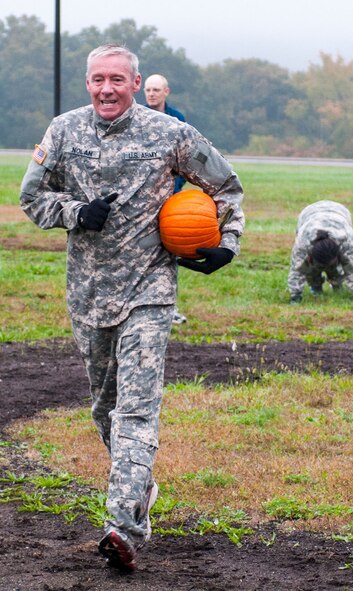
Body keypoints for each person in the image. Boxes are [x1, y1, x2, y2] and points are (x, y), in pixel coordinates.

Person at [20, 44, 245, 571]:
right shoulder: (63, 130)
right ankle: (140, 489)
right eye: (97, 79)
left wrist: (226, 243)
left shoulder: (170, 134)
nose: (106, 89)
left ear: (136, 82)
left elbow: (226, 186)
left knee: (137, 409)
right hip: (88, 294)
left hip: (150, 289)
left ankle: (120, 525)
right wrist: (76, 211)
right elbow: (32, 197)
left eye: (116, 80)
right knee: (106, 409)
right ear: (87, 83)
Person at [144, 73, 188, 324]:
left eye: (156, 90)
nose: (151, 94)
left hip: (170, 198)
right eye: (148, 90)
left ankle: (169, 308)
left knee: (168, 252)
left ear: (166, 92)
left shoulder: (177, 119)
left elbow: (184, 160)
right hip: (142, 199)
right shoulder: (136, 116)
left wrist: (173, 187)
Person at [288, 200, 353, 304]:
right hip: (309, 213)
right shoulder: (303, 243)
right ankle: (315, 286)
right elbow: (297, 269)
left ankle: (337, 284)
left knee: (336, 267)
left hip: (340, 212)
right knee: (312, 267)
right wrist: (295, 295)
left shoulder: (345, 242)